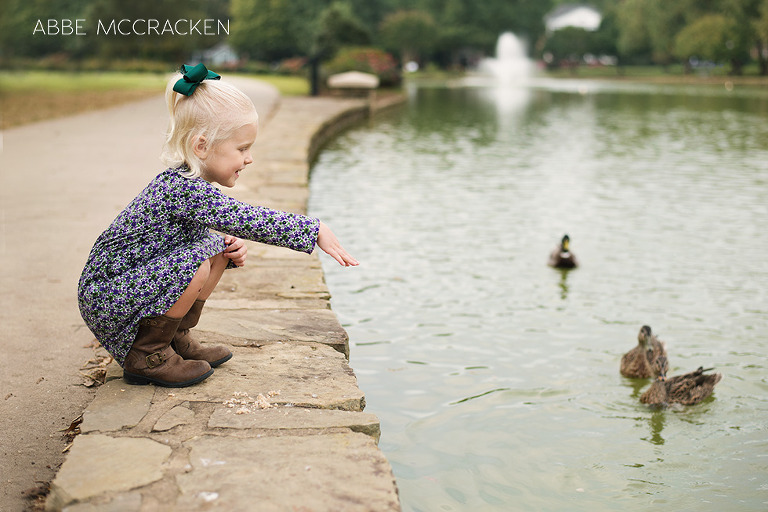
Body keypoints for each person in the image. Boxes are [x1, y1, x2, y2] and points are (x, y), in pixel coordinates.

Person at [77, 64, 358, 388]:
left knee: (220, 248)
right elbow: (248, 219)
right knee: (196, 262)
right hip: (107, 295)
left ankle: (175, 336)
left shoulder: (188, 183)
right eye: (242, 149)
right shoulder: (185, 188)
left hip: (125, 289)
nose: (249, 158)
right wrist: (313, 228)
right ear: (201, 147)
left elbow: (176, 240)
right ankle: (148, 354)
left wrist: (219, 244)